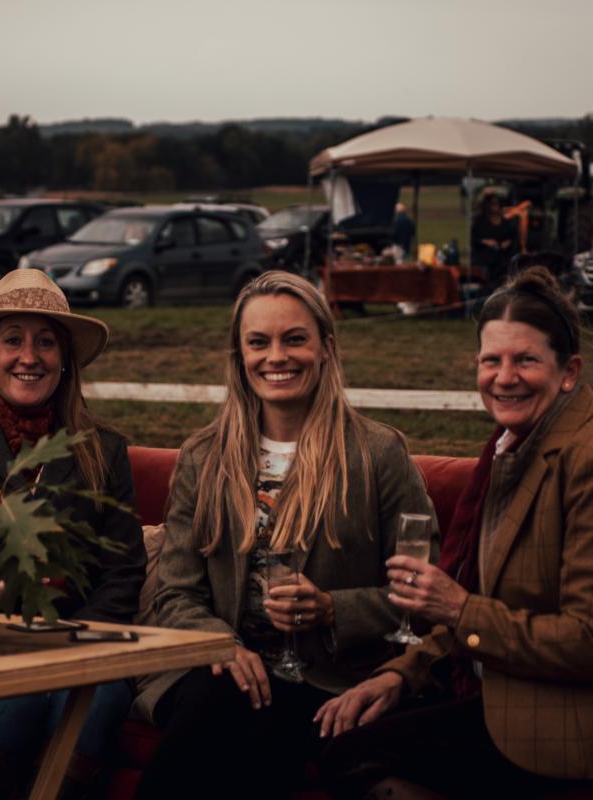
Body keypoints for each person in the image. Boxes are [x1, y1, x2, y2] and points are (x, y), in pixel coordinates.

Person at [315, 263, 593, 799]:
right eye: (491, 360)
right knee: (333, 734)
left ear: (569, 372)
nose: (504, 376)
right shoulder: (512, 450)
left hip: (583, 716)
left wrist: (458, 608)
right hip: (506, 683)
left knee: (354, 762)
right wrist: (401, 674)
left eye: (526, 360)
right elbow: (490, 608)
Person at [133, 271, 435, 800]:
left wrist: (333, 609)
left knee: (259, 720)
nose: (277, 356)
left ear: (325, 349)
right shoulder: (204, 457)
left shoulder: (378, 454)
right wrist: (224, 644)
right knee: (221, 697)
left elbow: (424, 598)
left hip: (327, 677)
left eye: (295, 338)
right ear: (239, 354)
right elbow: (175, 593)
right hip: (220, 672)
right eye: (259, 342)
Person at [0, 268, 147, 797]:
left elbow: (124, 572)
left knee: (97, 697)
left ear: (66, 360)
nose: (29, 357)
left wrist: (70, 643)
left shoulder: (103, 451)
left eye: (45, 343)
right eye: (12, 339)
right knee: (16, 694)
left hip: (79, 647)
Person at [471, 193, 519, 288]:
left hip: (503, 259)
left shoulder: (506, 221)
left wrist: (508, 242)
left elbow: (513, 236)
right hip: (486, 259)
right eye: (492, 203)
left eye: (497, 203)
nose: (495, 205)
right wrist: (485, 242)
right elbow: (473, 239)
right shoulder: (479, 222)